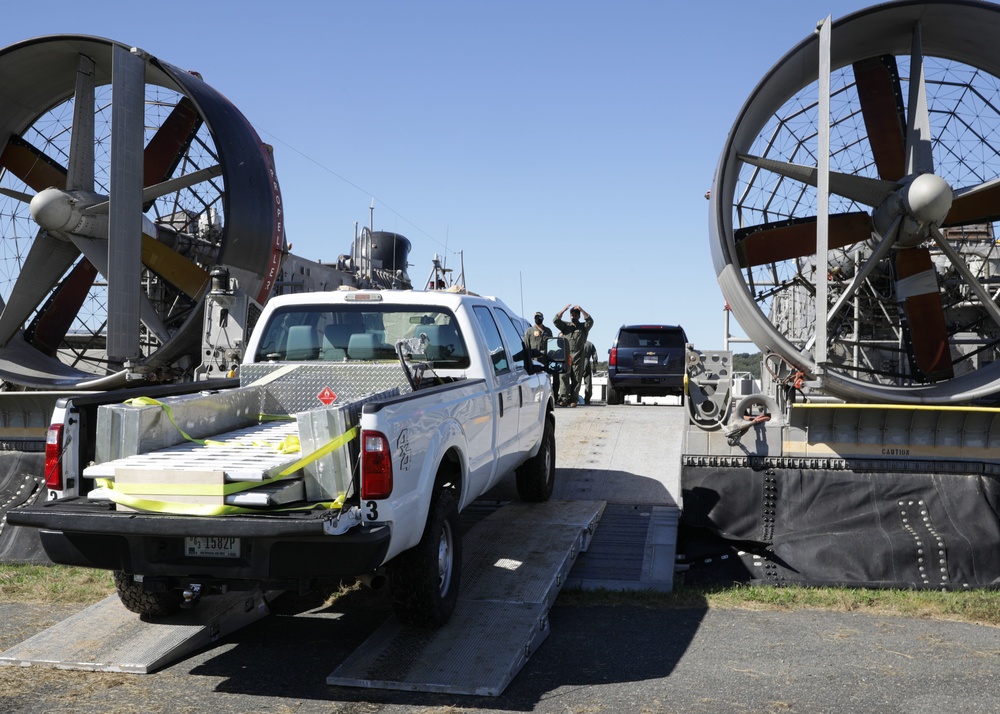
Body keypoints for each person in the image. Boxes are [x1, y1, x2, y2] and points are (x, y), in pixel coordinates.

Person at [553, 304, 593, 407]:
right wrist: (564, 310)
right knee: (563, 377)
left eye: (576, 314)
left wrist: (582, 310)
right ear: (570, 315)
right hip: (566, 355)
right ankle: (563, 399)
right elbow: (555, 320)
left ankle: (573, 399)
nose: (574, 316)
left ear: (579, 316)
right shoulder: (566, 326)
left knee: (576, 379)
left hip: (579, 356)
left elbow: (590, 321)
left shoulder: (583, 327)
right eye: (572, 314)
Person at [582, 340, 598, 405]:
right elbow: (595, 356)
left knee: (576, 382)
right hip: (587, 364)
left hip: (577, 364)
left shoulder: (577, 343)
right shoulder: (590, 344)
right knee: (588, 383)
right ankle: (587, 399)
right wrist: (594, 367)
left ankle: (573, 398)